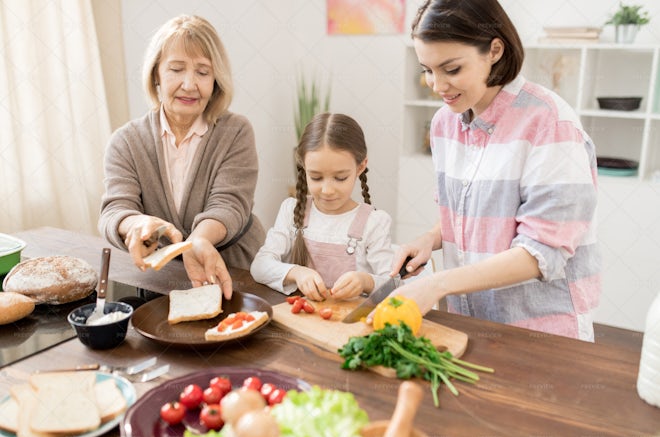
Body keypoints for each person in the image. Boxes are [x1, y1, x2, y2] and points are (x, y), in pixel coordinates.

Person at [381, 0, 600, 341]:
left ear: (494, 50)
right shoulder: (445, 123)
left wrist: (437, 285)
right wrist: (430, 238)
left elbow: (540, 253)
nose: (437, 85)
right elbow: (469, 213)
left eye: (451, 69)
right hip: (471, 325)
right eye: (427, 69)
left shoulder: (550, 124)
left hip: (540, 334)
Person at [98, 15, 265, 300]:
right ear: (156, 74)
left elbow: (229, 204)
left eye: (203, 72)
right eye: (176, 69)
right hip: (162, 280)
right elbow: (114, 209)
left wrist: (199, 240)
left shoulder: (236, 131)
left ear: (216, 80)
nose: (190, 84)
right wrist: (135, 225)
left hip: (237, 273)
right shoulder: (125, 141)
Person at [250, 113, 394, 301]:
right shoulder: (291, 211)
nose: (327, 190)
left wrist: (366, 281)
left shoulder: (374, 222)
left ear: (361, 167)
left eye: (340, 178)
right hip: (302, 320)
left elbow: (394, 285)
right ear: (303, 165)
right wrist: (297, 272)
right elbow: (259, 266)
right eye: (316, 177)